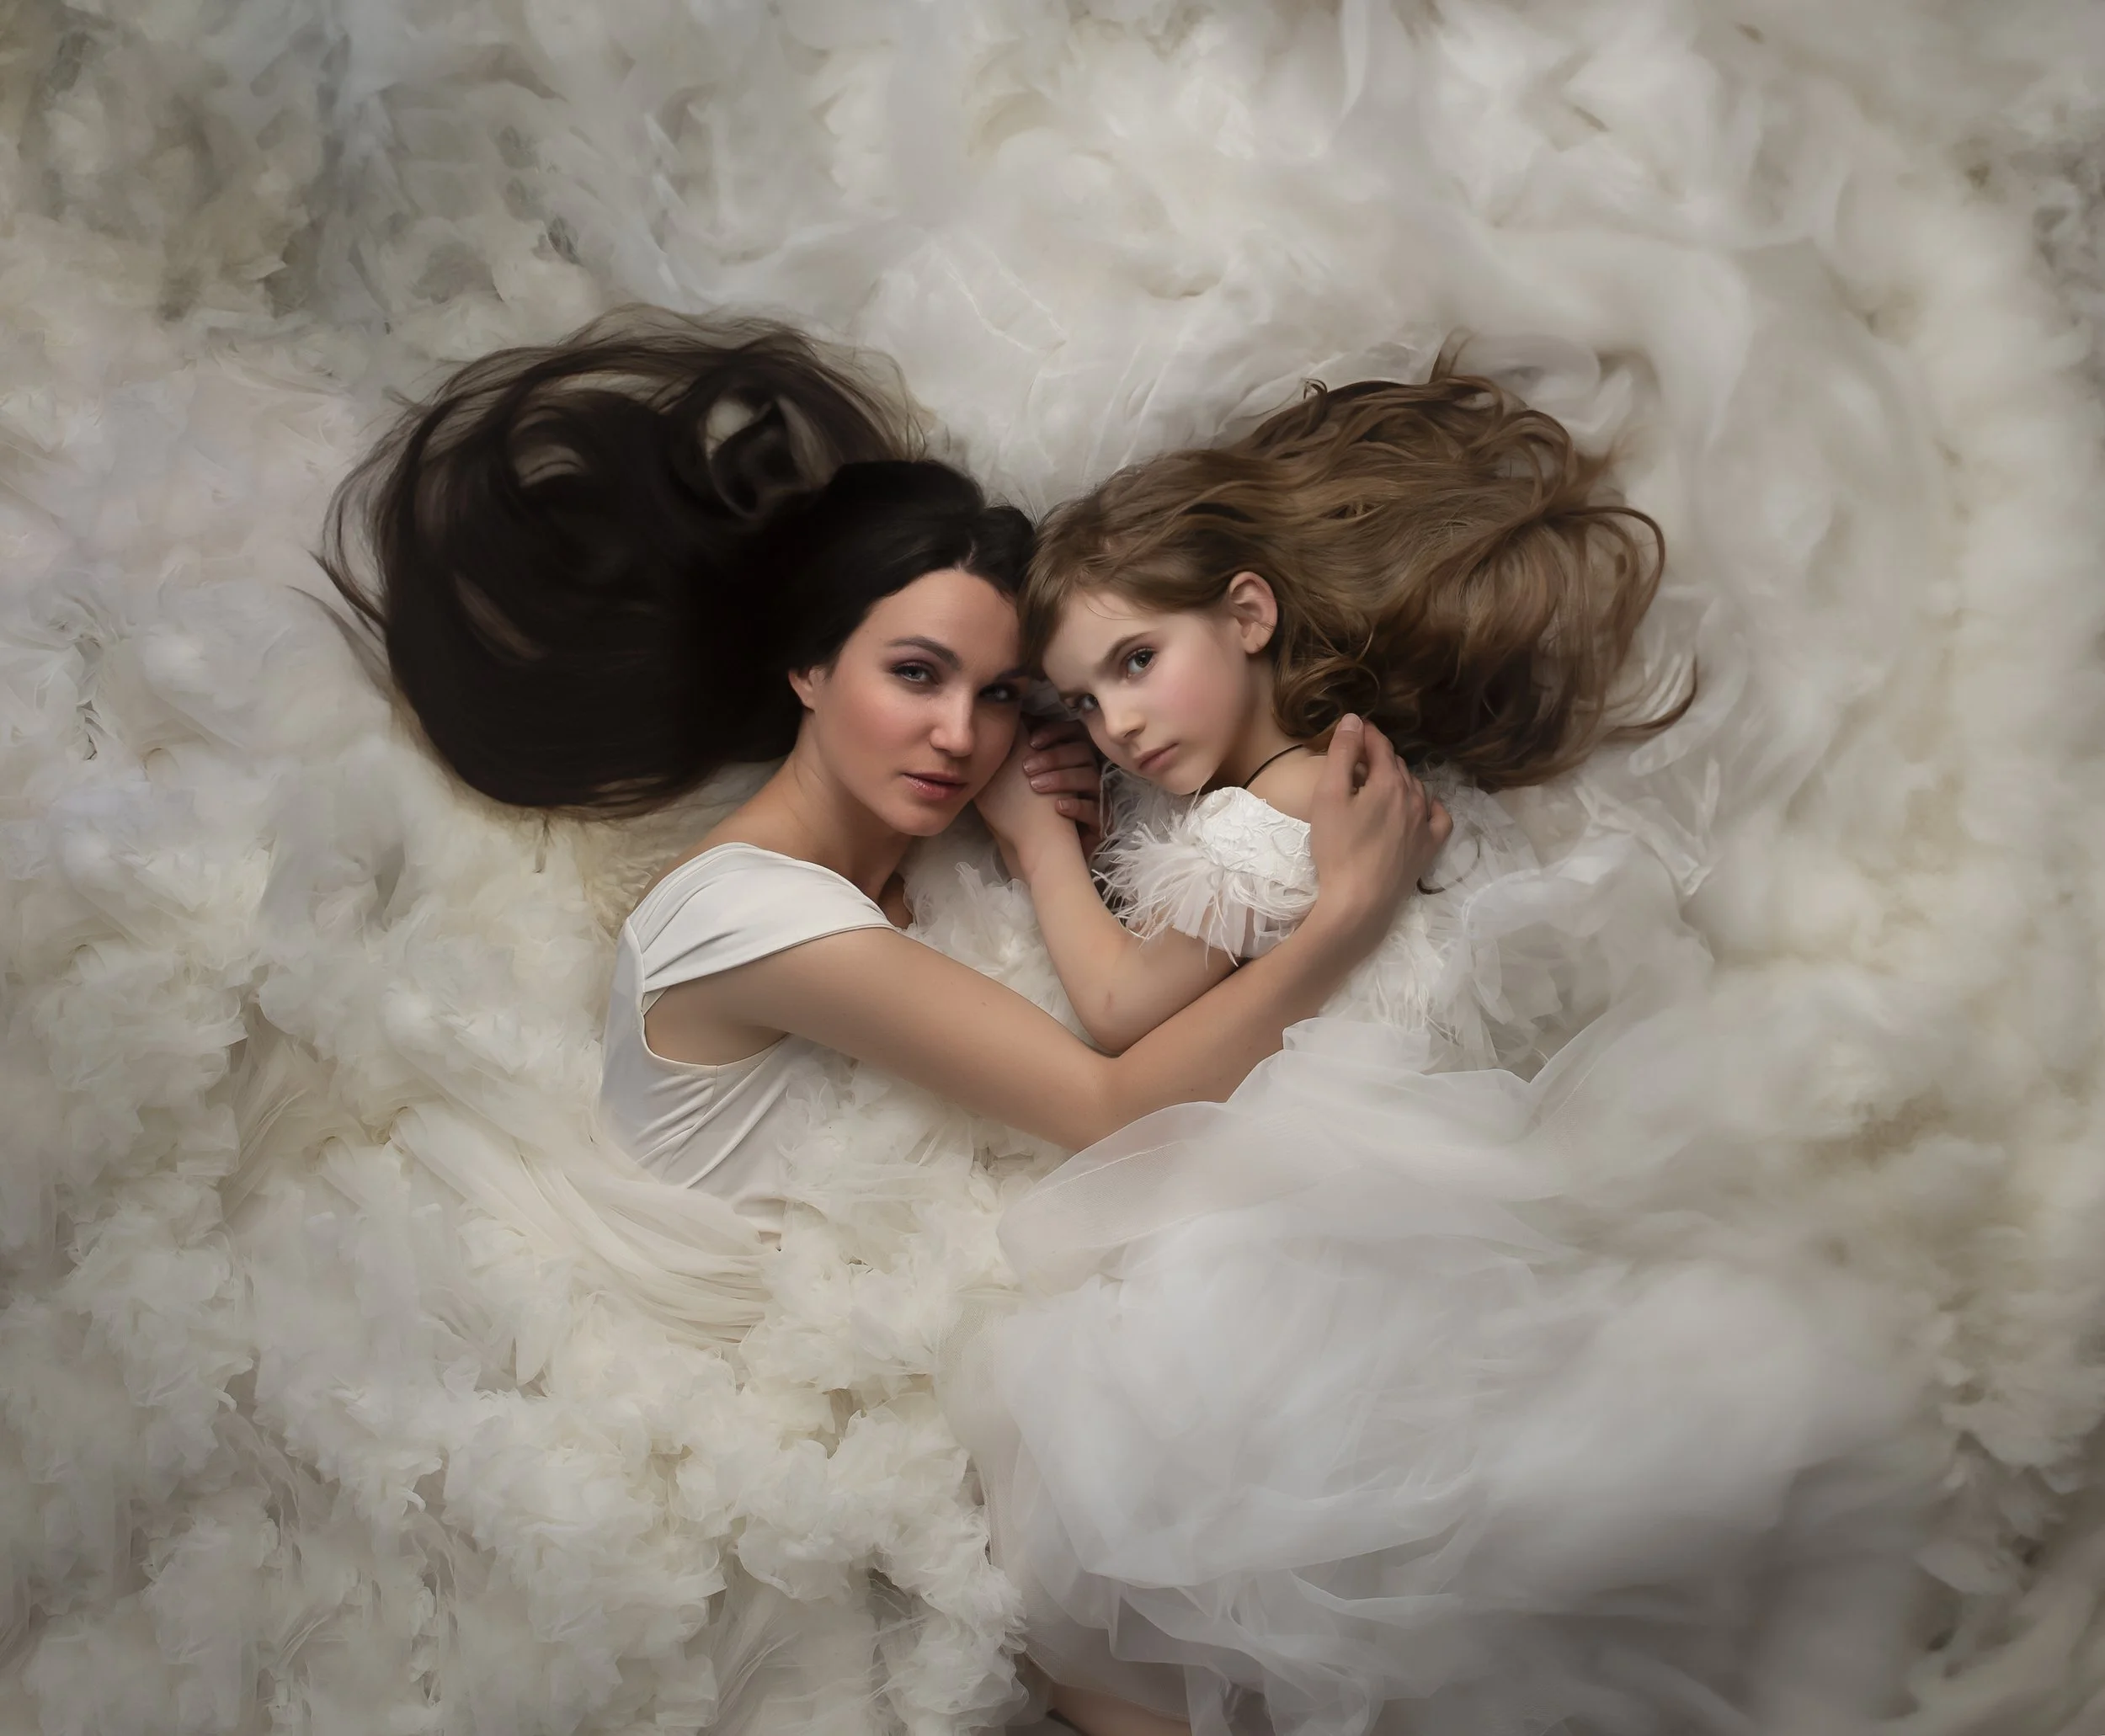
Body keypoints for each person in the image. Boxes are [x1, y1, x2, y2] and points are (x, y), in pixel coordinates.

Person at [322, 307, 1451, 1736]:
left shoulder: (937, 856)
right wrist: (1343, 921)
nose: (959, 736)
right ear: (807, 670)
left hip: (959, 1363)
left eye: (994, 698)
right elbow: (1110, 1105)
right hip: (773, 1429)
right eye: (914, 675)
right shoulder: (749, 912)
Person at [956, 368, 1935, 1736]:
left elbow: (1121, 1008)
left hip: (1302, 1215)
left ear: (1248, 613)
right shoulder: (1342, 780)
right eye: (1080, 705)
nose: (1116, 726)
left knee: (1150, 1568)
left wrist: (1031, 834)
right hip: (1418, 1182)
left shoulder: (1261, 820)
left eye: (1134, 663)